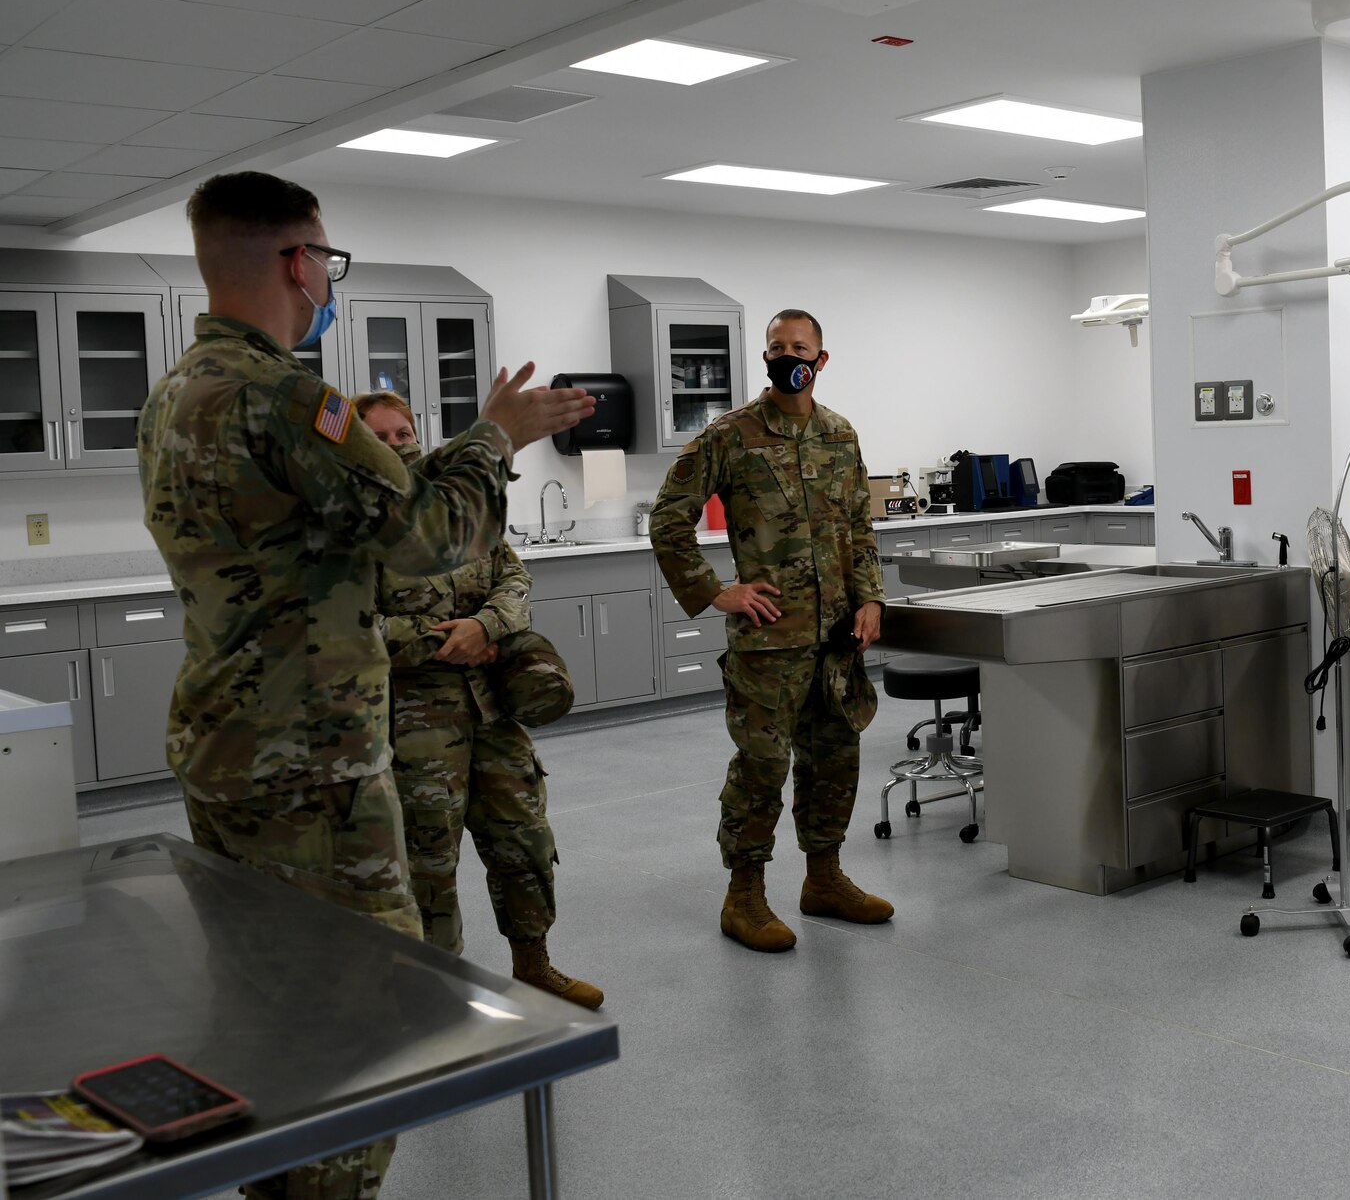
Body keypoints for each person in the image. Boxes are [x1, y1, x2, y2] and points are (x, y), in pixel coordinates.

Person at [137, 171, 591, 1200]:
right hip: (316, 765)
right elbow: (429, 539)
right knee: (358, 1013)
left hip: (225, 751)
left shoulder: (174, 394)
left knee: (264, 996)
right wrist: (494, 436)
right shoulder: (287, 397)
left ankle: (270, 1177)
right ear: (299, 263)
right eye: (327, 260)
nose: (326, 281)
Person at [651, 308, 892, 952]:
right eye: (778, 346)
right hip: (769, 641)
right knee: (762, 768)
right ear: (765, 357)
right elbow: (667, 521)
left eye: (801, 346)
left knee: (835, 760)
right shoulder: (730, 436)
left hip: (838, 639)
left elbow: (860, 531)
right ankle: (744, 897)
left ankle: (824, 879)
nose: (789, 355)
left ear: (821, 358)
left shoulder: (840, 435)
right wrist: (716, 591)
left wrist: (871, 599)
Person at [357, 391, 602, 1010]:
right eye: (381, 438)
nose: (399, 446)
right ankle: (436, 991)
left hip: (493, 711)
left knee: (524, 840)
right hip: (413, 724)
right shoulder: (356, 528)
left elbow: (514, 578)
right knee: (427, 863)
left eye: (404, 432)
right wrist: (446, 642)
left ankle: (534, 964)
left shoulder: (462, 513)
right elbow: (354, 630)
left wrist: (487, 627)